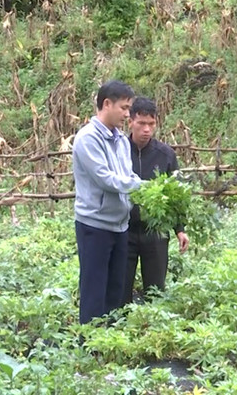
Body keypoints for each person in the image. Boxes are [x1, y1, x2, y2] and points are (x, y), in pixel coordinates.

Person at [72, 80, 142, 324]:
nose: (127, 114)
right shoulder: (87, 139)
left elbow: (128, 174)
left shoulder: (121, 140)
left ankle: (110, 343)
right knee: (94, 288)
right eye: (123, 108)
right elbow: (105, 179)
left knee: (115, 289)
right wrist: (140, 186)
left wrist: (140, 186)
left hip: (119, 224)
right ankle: (90, 347)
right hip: (95, 225)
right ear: (106, 104)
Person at [122, 96, 189, 307]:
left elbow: (176, 194)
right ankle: (119, 330)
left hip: (156, 231)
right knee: (121, 286)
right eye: (141, 123)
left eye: (151, 124)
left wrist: (180, 229)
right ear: (130, 121)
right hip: (123, 229)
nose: (146, 130)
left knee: (156, 288)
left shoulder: (166, 154)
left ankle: (153, 328)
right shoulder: (118, 150)